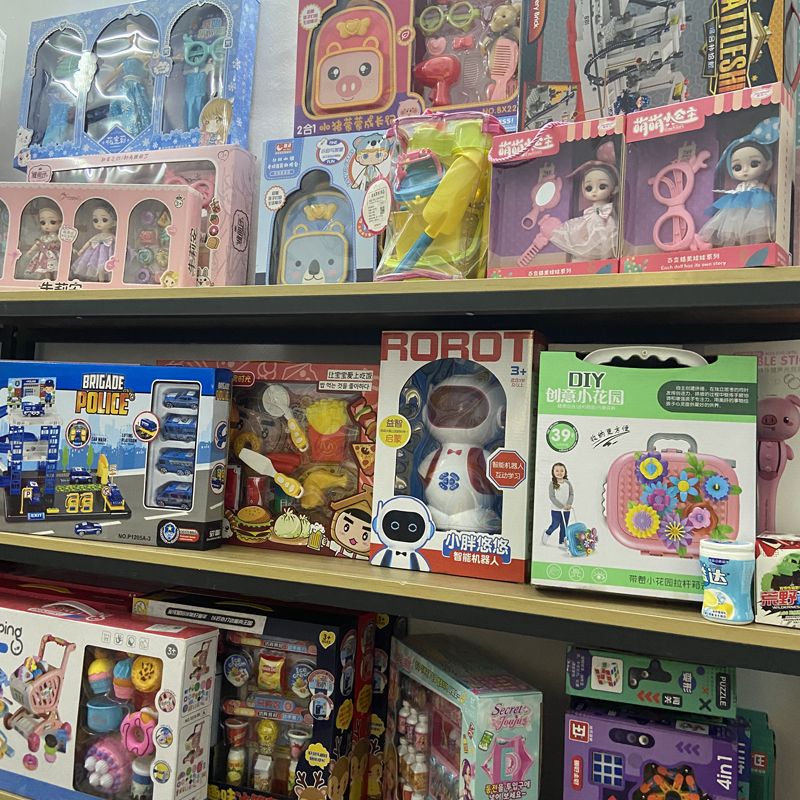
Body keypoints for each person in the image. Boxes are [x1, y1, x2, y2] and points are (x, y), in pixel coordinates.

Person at [543, 462, 573, 546]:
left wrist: (569, 504)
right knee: (555, 524)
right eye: (557, 471)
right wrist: (562, 506)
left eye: (561, 471)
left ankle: (562, 542)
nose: (559, 473)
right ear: (553, 472)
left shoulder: (567, 483)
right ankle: (547, 533)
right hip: (556, 510)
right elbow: (552, 497)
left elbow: (571, 494)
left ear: (565, 472)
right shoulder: (552, 484)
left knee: (564, 526)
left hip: (567, 510)